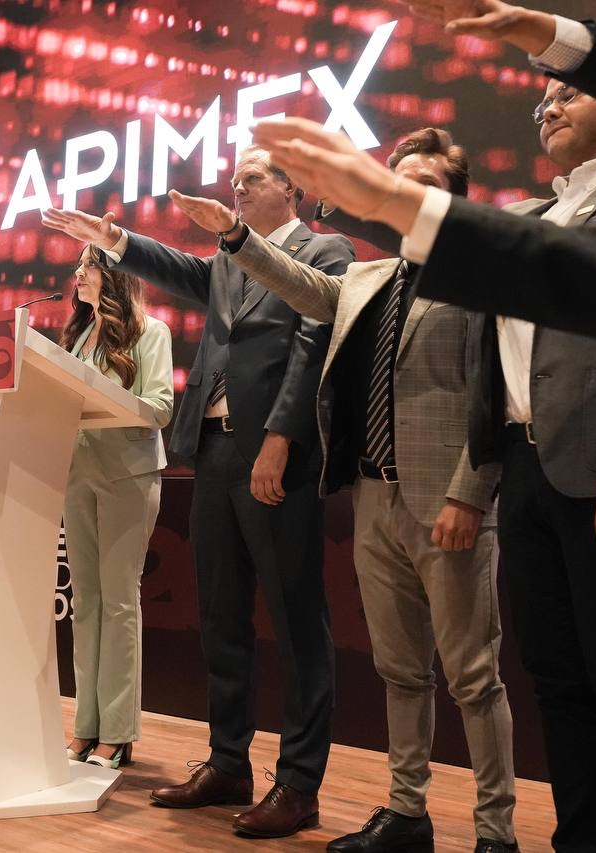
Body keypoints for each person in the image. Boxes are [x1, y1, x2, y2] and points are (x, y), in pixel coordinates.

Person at [251, 6, 596, 847]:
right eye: (542, 99)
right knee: (558, 684)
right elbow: (483, 301)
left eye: (567, 92)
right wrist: (344, 204)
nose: (547, 106)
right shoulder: (533, 214)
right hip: (524, 474)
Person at [172, 129, 519, 853]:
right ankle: (406, 813)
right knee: (400, 670)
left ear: (454, 201)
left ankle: (496, 833)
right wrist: (235, 235)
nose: (407, 193)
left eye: (425, 184)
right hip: (373, 496)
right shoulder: (370, 277)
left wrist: (469, 493)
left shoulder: (481, 276)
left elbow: (493, 393)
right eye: (399, 181)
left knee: (474, 677)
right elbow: (303, 287)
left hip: (447, 502)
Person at [43, 144, 354, 839]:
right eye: (235, 178)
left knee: (298, 623)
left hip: (276, 453)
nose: (237, 187)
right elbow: (176, 268)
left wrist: (281, 436)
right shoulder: (226, 262)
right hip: (212, 453)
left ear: (292, 187)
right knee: (220, 618)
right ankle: (228, 763)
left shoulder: (325, 251)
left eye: (252, 178)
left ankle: (299, 782)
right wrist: (113, 240)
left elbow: (312, 350)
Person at [53, 244, 173, 769]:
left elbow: (161, 407)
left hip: (128, 474)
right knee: (86, 602)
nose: (78, 273)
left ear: (116, 274)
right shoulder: (77, 335)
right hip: (76, 472)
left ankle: (118, 733)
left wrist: (104, 397)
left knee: (120, 602)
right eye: (79, 266)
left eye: (89, 265)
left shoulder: (153, 332)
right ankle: (86, 726)